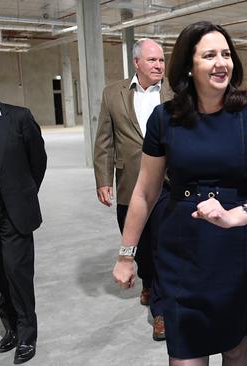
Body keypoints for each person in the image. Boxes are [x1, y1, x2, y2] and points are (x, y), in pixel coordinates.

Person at [112, 21, 247, 365]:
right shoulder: (164, 119)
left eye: (226, 54)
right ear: (189, 66)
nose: (221, 62)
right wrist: (125, 253)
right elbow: (144, 193)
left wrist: (234, 216)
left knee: (235, 347)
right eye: (209, 55)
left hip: (237, 247)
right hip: (182, 248)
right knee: (184, 353)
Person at [94, 38, 173, 341]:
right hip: (130, 184)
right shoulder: (113, 94)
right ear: (136, 63)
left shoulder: (174, 93)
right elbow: (104, 139)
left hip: (167, 182)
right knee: (139, 246)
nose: (158, 66)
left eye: (161, 60)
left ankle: (161, 311)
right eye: (152, 60)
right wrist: (103, 178)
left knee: (162, 246)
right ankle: (148, 281)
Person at [0, 61, 47, 364]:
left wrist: (24, 193)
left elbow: (38, 161)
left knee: (17, 271)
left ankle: (26, 334)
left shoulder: (18, 118)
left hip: (13, 207)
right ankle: (10, 326)